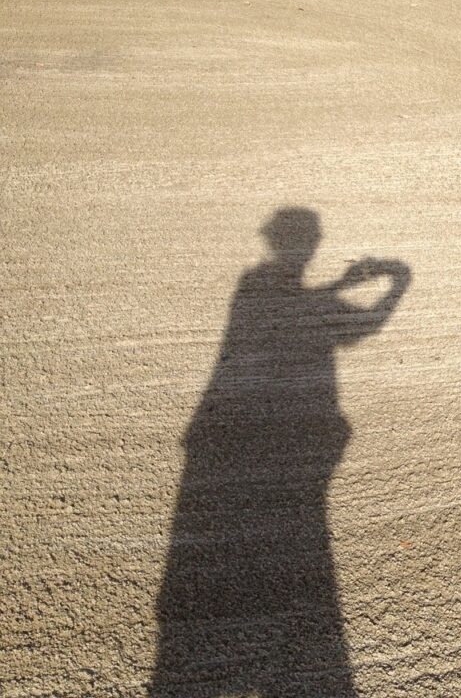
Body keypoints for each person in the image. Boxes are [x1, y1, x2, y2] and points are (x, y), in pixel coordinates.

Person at [150, 207, 410, 698]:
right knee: (300, 561)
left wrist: (338, 284)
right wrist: (398, 281)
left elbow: (296, 311)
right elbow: (355, 322)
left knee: (215, 561)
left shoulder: (253, 287)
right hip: (294, 440)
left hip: (221, 436)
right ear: (308, 243)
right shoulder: (270, 291)